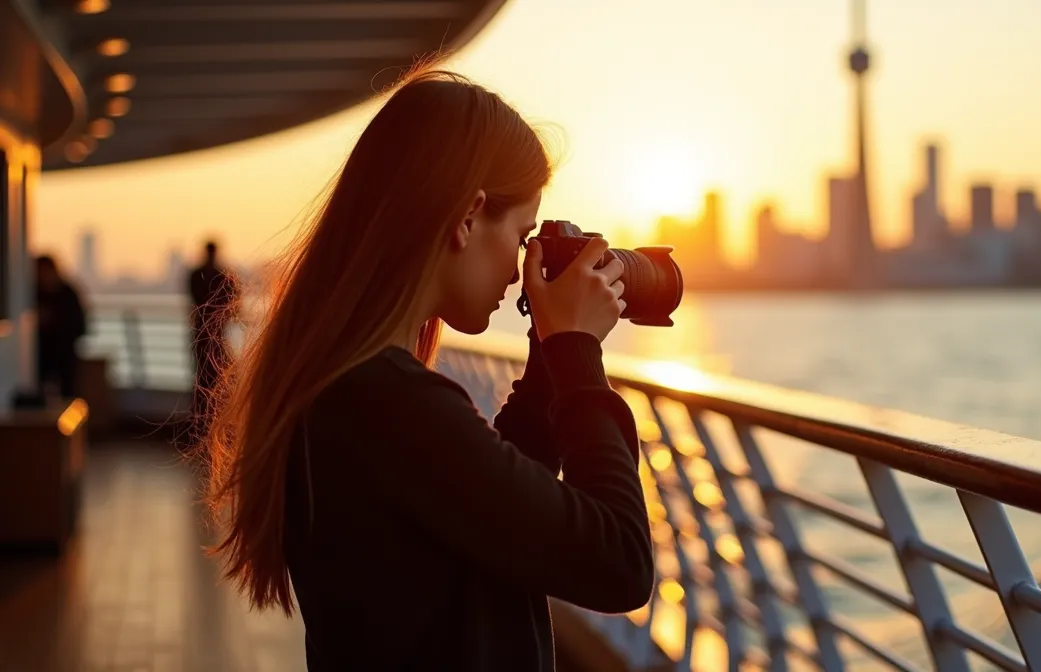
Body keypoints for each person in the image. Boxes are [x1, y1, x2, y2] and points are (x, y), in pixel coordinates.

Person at [198, 68, 654, 671]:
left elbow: (495, 513)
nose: (519, 274)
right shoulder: (391, 404)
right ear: (468, 218)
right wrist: (576, 354)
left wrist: (548, 358)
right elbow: (618, 565)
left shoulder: (353, 388)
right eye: (518, 238)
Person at [187, 240, 239, 437]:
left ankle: (201, 424)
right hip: (214, 333)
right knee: (214, 376)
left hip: (203, 332)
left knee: (203, 376)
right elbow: (233, 298)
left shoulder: (196, 274)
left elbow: (195, 299)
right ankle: (211, 423)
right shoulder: (223, 275)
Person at [34, 255, 87, 401]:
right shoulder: (34, 293)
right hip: (40, 355)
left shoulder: (68, 294)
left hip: (64, 354)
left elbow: (80, 326)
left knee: (69, 394)